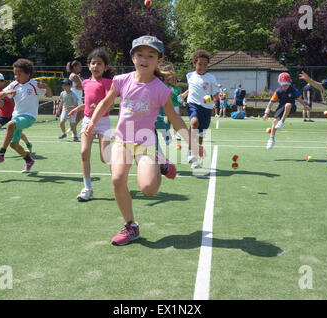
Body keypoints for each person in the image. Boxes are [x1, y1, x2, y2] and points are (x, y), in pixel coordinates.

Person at [84, 35, 199, 246]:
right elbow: (106, 102)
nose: (144, 59)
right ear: (132, 57)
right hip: (121, 140)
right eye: (139, 54)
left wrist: (192, 141)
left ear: (159, 60)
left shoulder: (161, 91)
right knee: (117, 179)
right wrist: (92, 122)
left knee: (149, 189)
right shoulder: (121, 81)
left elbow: (174, 118)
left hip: (145, 144)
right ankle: (131, 226)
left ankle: (159, 162)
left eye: (150, 55)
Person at [0, 59, 53, 173]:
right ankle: (28, 160)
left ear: (28, 74)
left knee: (11, 124)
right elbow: (0, 96)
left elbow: (49, 95)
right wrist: (8, 92)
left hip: (29, 117)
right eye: (15, 74)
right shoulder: (14, 84)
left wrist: (46, 87)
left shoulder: (34, 85)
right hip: (16, 116)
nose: (16, 76)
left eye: (19, 74)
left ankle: (1, 154)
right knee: (14, 144)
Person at [68, 47, 114, 201]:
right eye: (93, 63)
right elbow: (88, 103)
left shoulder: (108, 82)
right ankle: (87, 188)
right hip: (88, 121)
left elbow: (110, 103)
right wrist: (78, 108)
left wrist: (100, 106)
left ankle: (119, 182)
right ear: (89, 66)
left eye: (99, 63)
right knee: (84, 152)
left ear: (105, 67)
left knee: (105, 157)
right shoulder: (86, 83)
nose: (96, 66)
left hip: (103, 121)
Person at [179, 50, 219, 169]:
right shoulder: (190, 75)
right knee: (194, 123)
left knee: (201, 135)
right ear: (194, 63)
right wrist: (184, 95)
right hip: (193, 105)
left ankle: (195, 158)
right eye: (200, 64)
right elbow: (192, 88)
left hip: (206, 108)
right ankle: (191, 152)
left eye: (205, 65)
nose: (202, 67)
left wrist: (219, 96)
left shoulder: (211, 77)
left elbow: (215, 93)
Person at [0, 73, 32, 156]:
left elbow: (0, 104)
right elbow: (1, 105)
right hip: (2, 114)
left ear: (3, 82)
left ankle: (28, 144)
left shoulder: (4, 92)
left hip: (11, 115)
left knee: (18, 133)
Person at [264, 72, 310, 149]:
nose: (285, 86)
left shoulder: (294, 90)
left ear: (289, 83)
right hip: (281, 107)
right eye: (283, 84)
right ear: (280, 83)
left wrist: (305, 106)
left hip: (291, 106)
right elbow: (271, 102)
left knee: (288, 105)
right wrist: (266, 113)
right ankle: (271, 139)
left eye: (287, 84)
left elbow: (300, 99)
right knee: (275, 121)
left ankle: (282, 121)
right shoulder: (278, 91)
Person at [66, 60, 84, 140]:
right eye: (79, 65)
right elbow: (82, 86)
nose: (81, 67)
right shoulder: (74, 76)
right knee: (75, 115)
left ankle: (72, 129)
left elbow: (82, 86)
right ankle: (74, 133)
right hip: (74, 98)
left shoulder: (77, 76)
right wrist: (82, 85)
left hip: (78, 97)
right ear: (74, 67)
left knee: (81, 114)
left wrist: (82, 84)